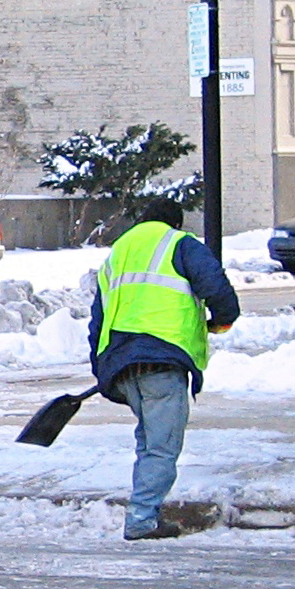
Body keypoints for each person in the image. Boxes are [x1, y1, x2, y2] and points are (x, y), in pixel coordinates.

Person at [88, 197, 239, 541]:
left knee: (148, 442)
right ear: (176, 223)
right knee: (161, 446)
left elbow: (97, 318)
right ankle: (142, 519)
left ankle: (145, 509)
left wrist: (102, 369)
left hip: (123, 365)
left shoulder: (118, 252)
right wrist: (224, 318)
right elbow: (214, 284)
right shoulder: (178, 244)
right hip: (161, 362)